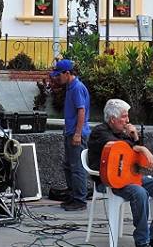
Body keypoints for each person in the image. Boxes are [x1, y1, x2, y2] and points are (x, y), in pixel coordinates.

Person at [87, 99, 153, 247]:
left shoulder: (123, 133)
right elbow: (118, 147)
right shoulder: (99, 132)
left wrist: (136, 138)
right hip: (110, 182)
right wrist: (141, 147)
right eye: (124, 116)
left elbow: (138, 159)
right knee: (140, 192)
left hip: (131, 177)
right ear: (113, 119)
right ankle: (142, 241)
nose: (128, 120)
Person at [49, 59, 90, 211]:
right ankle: (73, 195)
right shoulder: (69, 87)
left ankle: (80, 200)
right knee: (68, 165)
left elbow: (81, 111)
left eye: (59, 75)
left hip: (76, 133)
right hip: (70, 132)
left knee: (77, 167)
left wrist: (77, 134)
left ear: (67, 73)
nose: (57, 78)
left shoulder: (77, 88)